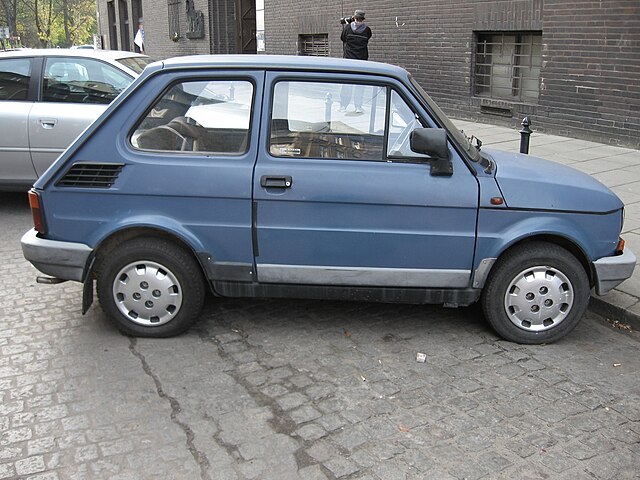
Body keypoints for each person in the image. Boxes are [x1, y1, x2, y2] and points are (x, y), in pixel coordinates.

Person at [339, 10, 372, 113]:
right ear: (363, 19)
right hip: (361, 61)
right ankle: (358, 106)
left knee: (347, 83)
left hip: (349, 61)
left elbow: (342, 38)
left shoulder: (348, 28)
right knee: (359, 84)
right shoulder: (367, 30)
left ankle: (343, 106)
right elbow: (367, 38)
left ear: (354, 17)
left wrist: (349, 24)